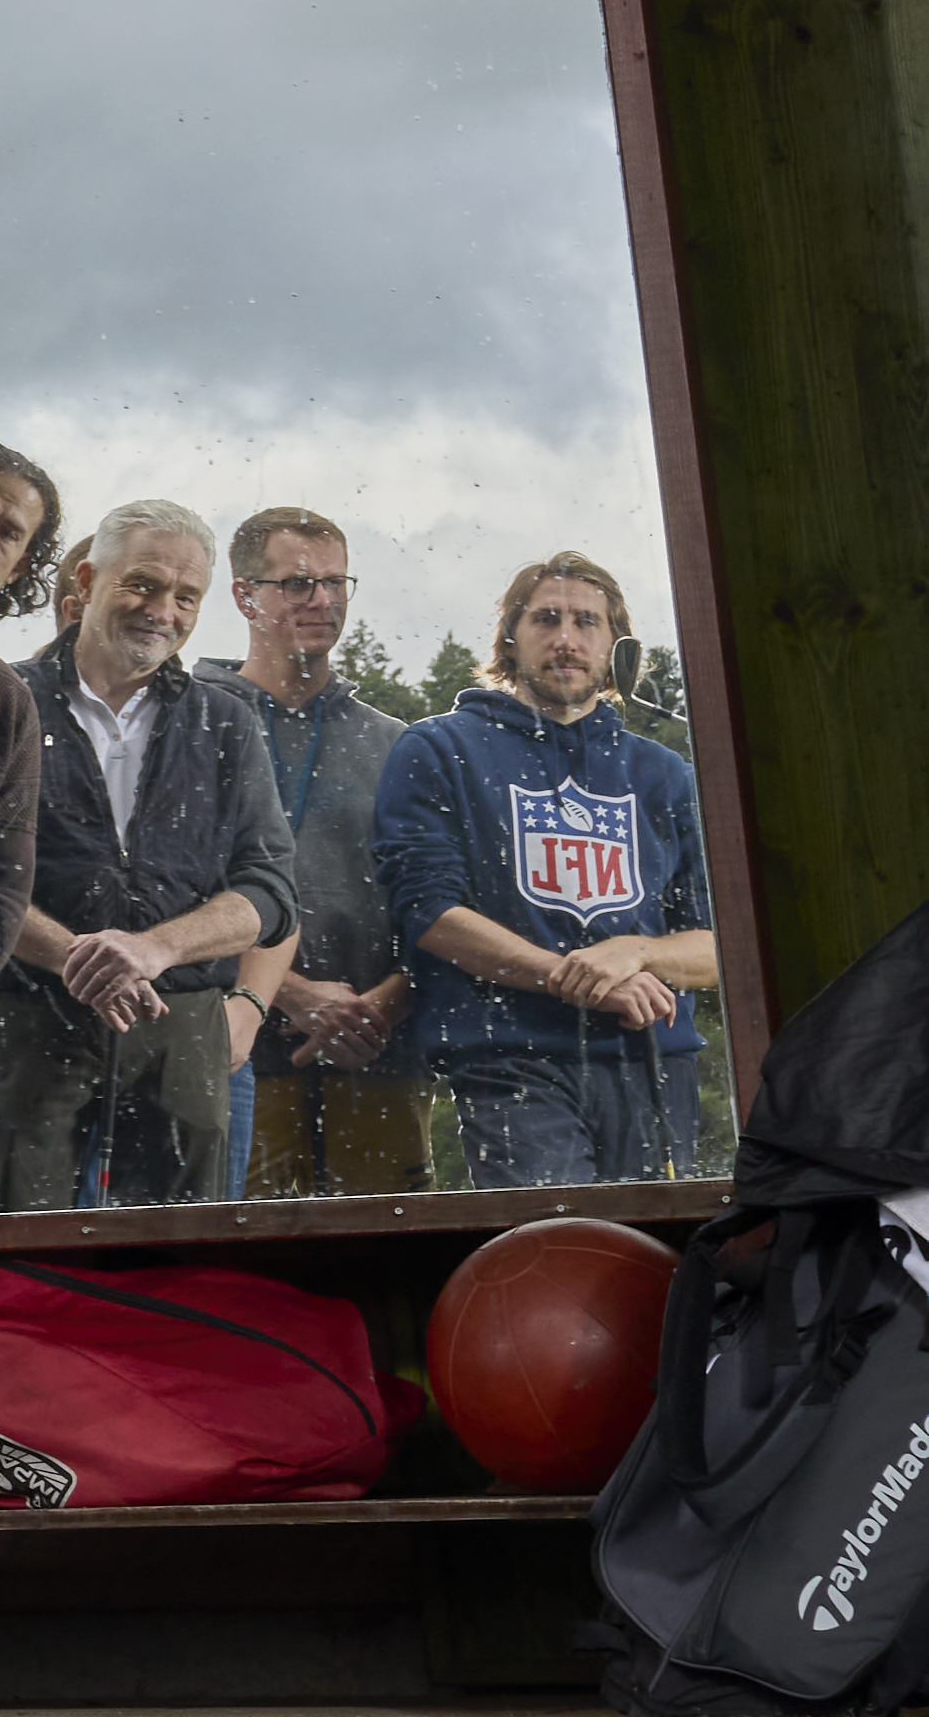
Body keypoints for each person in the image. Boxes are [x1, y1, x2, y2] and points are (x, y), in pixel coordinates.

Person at [0, 501, 293, 1215]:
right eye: (143, 585)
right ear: (87, 580)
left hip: (181, 1019)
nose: (164, 611)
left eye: (186, 597)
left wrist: (154, 949)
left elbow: (271, 891)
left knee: (179, 1249)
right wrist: (73, 956)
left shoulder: (226, 721)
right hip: (28, 1012)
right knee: (13, 1241)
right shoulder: (2, 700)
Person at [381, 552, 722, 1189]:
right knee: (557, 1238)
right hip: (511, 1058)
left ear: (616, 646)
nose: (567, 639)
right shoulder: (441, 749)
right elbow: (429, 913)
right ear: (511, 638)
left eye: (587, 622)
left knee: (656, 1248)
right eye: (546, 619)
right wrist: (579, 981)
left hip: (651, 1061)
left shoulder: (663, 775)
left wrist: (637, 952)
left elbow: (720, 946)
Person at [227, 504, 439, 1199]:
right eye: (297, 583)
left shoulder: (397, 744)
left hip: (379, 1055)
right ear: (245, 595)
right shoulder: (195, 722)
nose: (322, 600)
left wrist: (381, 1009)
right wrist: (285, 994)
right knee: (243, 1250)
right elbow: (165, 892)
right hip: (233, 1052)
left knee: (387, 1251)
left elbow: (438, 902)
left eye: (336, 582)